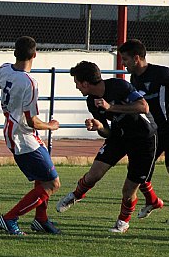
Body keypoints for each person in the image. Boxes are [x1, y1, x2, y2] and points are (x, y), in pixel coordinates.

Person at [56, 61, 157, 233]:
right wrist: (99, 127)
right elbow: (107, 133)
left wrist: (111, 107)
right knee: (93, 174)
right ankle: (76, 196)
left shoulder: (119, 86)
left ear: (85, 83)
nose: (77, 88)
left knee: (128, 189)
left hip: (144, 139)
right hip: (119, 136)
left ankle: (123, 222)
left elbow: (143, 106)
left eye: (77, 84)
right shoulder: (91, 101)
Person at [0, 36, 61, 235]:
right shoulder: (30, 83)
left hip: (15, 133)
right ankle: (9, 218)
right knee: (53, 183)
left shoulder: (5, 69)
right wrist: (51, 126)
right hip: (23, 137)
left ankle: (41, 219)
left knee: (42, 177)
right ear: (35, 55)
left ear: (14, 53)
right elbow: (32, 120)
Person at [119, 39, 169, 225]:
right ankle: (153, 200)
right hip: (152, 133)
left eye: (125, 59)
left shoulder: (161, 73)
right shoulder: (135, 78)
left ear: (137, 58)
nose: (123, 63)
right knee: (138, 169)